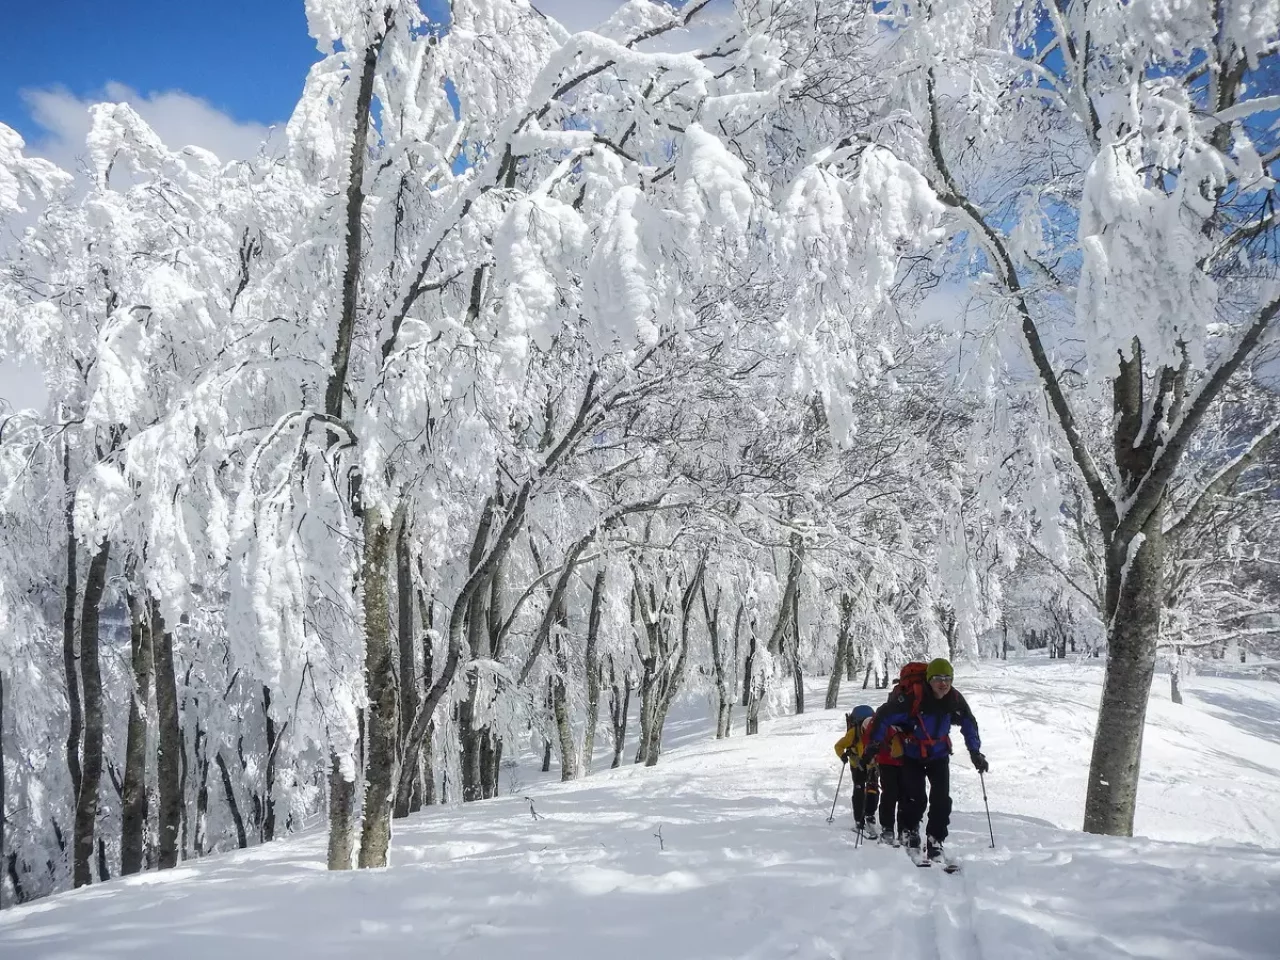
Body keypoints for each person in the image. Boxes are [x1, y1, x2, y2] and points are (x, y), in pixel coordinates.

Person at [863, 658, 987, 862]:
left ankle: (935, 840)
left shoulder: (954, 699)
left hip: (939, 755)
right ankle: (909, 830)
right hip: (912, 754)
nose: (943, 683)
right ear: (929, 679)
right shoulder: (912, 698)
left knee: (941, 800)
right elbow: (884, 715)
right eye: (938, 678)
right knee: (915, 797)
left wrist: (975, 752)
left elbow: (968, 723)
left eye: (947, 678)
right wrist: (874, 744)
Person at [833, 704, 879, 837]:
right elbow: (839, 745)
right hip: (857, 765)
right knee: (859, 789)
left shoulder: (878, 731)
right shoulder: (853, 733)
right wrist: (842, 755)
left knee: (872, 789)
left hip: (872, 765)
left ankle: (869, 814)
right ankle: (859, 819)